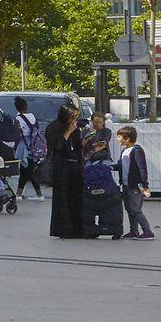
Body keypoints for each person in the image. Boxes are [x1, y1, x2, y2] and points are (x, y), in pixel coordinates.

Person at [46, 103, 95, 245]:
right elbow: (56, 146)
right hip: (61, 167)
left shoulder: (75, 128)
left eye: (76, 117)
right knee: (63, 198)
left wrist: (85, 142)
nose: (73, 120)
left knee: (76, 197)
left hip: (74, 166)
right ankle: (64, 229)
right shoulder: (53, 128)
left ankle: (78, 228)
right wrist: (67, 132)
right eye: (71, 117)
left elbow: (77, 147)